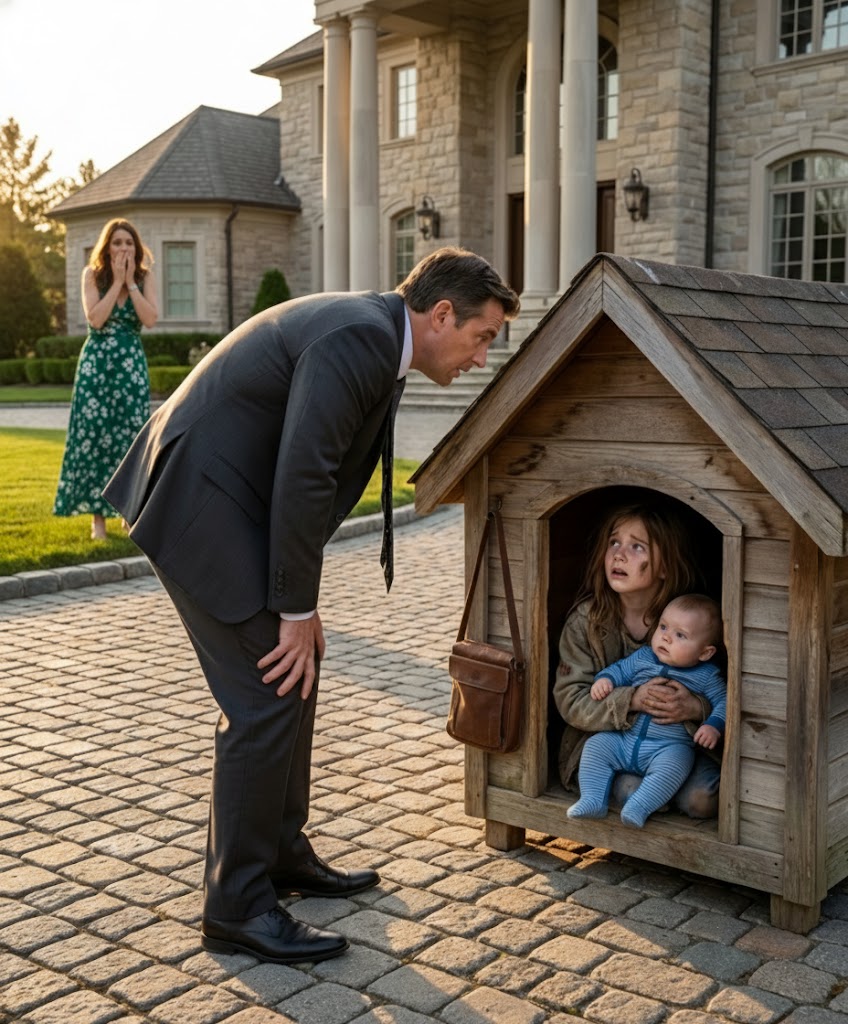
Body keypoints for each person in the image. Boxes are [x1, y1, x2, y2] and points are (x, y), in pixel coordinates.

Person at [103, 246, 519, 966]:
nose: (482, 357)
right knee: (266, 696)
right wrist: (292, 607)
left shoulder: (377, 337)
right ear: (442, 314)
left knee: (298, 670)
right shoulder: (360, 337)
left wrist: (298, 603)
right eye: (483, 336)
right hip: (199, 501)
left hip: (230, 501)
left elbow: (311, 475)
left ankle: (282, 855)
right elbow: (305, 469)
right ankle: (236, 905)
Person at [553, 501, 722, 821]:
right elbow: (570, 699)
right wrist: (631, 699)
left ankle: (660, 794)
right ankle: (635, 799)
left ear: (664, 567)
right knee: (628, 787)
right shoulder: (585, 622)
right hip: (608, 744)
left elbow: (723, 690)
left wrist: (695, 708)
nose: (619, 553)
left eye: (637, 547)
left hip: (676, 747)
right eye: (614, 542)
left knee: (703, 799)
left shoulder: (690, 621)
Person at [568, 593, 726, 828]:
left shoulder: (707, 676)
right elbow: (619, 670)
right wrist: (605, 680)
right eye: (663, 627)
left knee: (679, 761)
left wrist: (713, 725)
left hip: (667, 748)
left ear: (705, 653)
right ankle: (592, 799)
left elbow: (724, 702)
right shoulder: (644, 657)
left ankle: (638, 807)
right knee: (596, 746)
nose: (666, 638)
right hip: (626, 739)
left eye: (680, 635)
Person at [54, 218, 158, 540]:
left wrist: (131, 284)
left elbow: (150, 319)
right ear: (107, 247)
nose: (123, 248)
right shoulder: (92, 275)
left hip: (130, 369)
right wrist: (115, 282)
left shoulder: (144, 277)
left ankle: (128, 513)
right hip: (96, 367)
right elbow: (96, 319)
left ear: (136, 248)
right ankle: (97, 519)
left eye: (129, 242)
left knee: (131, 436)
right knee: (94, 438)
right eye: (117, 242)